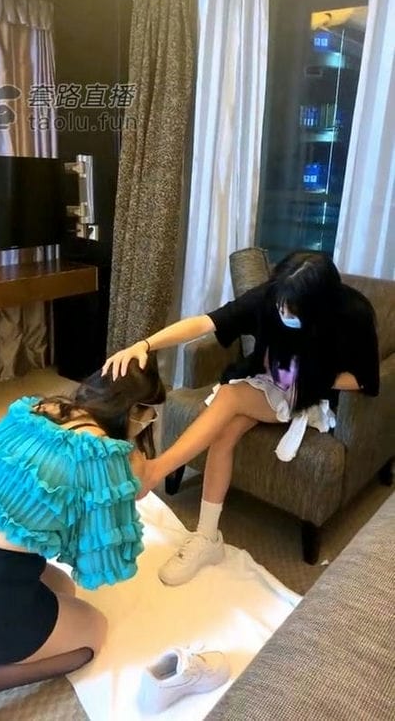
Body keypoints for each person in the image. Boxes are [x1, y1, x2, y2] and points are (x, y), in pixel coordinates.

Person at [103, 251, 380, 586]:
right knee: (224, 433)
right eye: (281, 305)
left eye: (293, 310)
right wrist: (145, 345)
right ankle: (207, 537)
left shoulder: (353, 314)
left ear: (319, 309)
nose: (283, 313)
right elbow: (205, 322)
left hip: (307, 395)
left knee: (230, 397)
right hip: (265, 381)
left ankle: (155, 471)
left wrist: (313, 377)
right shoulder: (270, 297)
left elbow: (366, 380)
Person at [0, 357, 165, 721]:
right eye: (151, 415)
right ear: (136, 411)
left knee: (63, 588)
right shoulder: (100, 451)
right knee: (94, 632)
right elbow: (101, 562)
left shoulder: (39, 408)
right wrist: (128, 481)